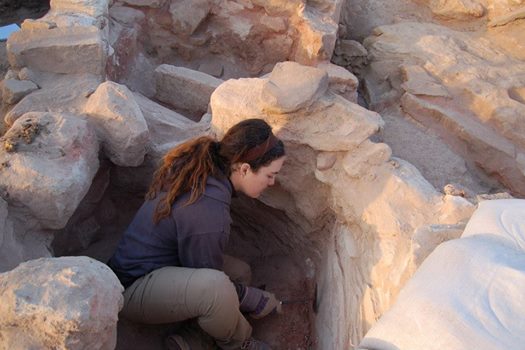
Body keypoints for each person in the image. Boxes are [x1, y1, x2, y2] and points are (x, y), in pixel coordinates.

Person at [107, 119, 286, 350]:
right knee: (217, 290)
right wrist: (250, 297)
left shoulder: (207, 170)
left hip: (164, 264)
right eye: (270, 175)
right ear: (243, 168)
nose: (272, 182)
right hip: (131, 288)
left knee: (241, 273)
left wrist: (244, 294)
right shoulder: (210, 213)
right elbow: (210, 279)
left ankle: (192, 339)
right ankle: (239, 342)